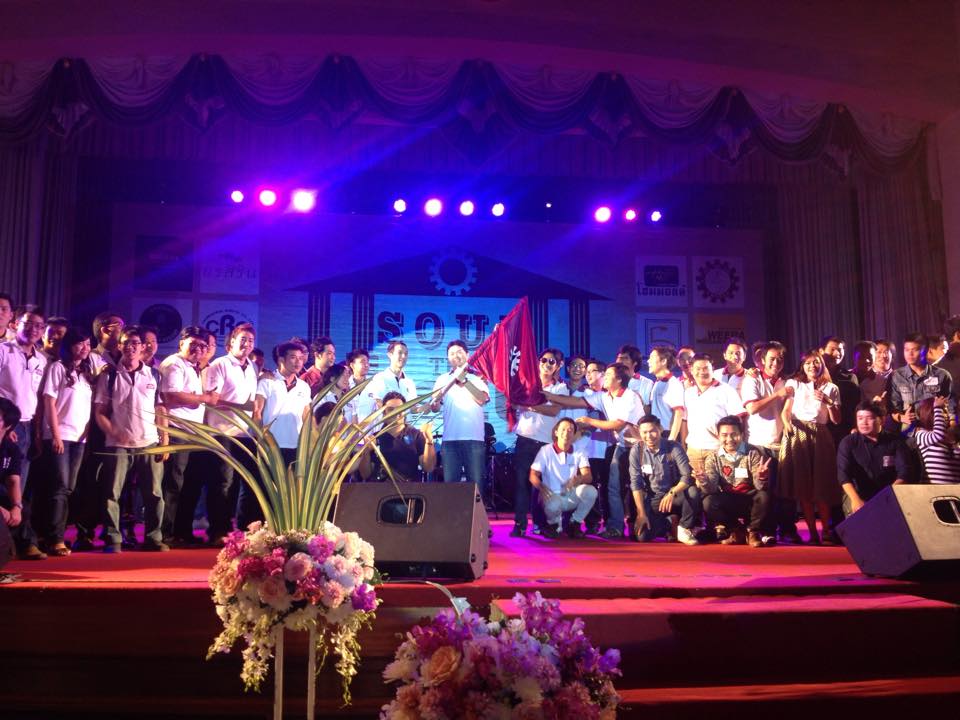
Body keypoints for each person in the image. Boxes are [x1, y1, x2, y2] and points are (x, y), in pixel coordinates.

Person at [546, 362, 644, 539]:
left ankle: (642, 524)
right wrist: (547, 395)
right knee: (613, 487)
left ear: (619, 379)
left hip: (639, 447)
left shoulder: (630, 396)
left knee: (637, 487)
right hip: (622, 446)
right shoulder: (604, 396)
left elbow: (618, 424)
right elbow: (577, 402)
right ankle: (615, 527)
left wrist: (590, 421)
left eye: (608, 375)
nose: (605, 378)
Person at [93, 325, 169, 553]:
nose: (131, 347)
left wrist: (165, 440)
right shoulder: (109, 375)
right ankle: (112, 539)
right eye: (126, 343)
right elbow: (100, 412)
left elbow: (160, 409)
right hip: (117, 445)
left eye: (136, 343)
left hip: (149, 442)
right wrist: (115, 432)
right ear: (119, 346)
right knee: (112, 494)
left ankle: (153, 538)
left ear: (143, 347)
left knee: (154, 494)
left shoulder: (154, 374)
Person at [39, 327, 94, 556]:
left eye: (88, 344)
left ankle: (53, 534)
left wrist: (86, 435)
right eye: (80, 343)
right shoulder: (58, 368)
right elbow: (49, 402)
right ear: (69, 345)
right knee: (59, 487)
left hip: (80, 438)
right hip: (60, 435)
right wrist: (55, 435)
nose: (85, 348)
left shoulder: (86, 373)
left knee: (68, 487)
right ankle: (55, 538)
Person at [203, 322, 259, 543]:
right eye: (243, 339)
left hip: (246, 434)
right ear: (231, 341)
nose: (247, 344)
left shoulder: (252, 367)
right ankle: (218, 530)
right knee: (223, 483)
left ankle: (244, 529)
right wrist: (242, 407)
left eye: (251, 341)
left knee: (246, 483)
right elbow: (212, 400)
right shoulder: (220, 364)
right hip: (222, 432)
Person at [0, 305, 48, 559]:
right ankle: (17, 543)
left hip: (30, 426)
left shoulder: (42, 359)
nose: (34, 330)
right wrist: (6, 425)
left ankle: (18, 541)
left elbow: (38, 398)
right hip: (8, 425)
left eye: (39, 326)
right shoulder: (3, 351)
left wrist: (38, 432)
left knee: (23, 484)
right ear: (15, 324)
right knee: (7, 483)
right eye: (28, 324)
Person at [778, 349, 841, 544]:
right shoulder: (794, 384)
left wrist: (829, 402)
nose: (812, 366)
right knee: (803, 486)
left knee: (822, 484)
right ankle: (813, 533)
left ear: (822, 364)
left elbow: (837, 420)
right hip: (797, 432)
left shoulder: (831, 387)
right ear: (802, 366)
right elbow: (786, 411)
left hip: (820, 434)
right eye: (807, 363)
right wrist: (787, 424)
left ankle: (826, 531)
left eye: (816, 362)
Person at [739, 340, 799, 543]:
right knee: (764, 490)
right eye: (772, 359)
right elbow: (752, 408)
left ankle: (788, 530)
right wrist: (777, 395)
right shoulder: (752, 379)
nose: (776, 363)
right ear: (762, 360)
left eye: (780, 359)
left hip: (783, 444)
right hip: (759, 444)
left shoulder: (788, 381)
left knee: (786, 491)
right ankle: (764, 530)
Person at [158, 326, 212, 546]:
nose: (198, 349)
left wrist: (193, 398)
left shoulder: (194, 367)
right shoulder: (174, 364)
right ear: (181, 344)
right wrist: (203, 398)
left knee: (188, 485)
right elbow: (171, 396)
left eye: (203, 346)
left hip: (192, 432)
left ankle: (182, 532)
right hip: (176, 430)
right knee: (173, 484)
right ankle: (165, 533)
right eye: (193, 344)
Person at [510, 348, 569, 537]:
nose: (547, 364)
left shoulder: (560, 388)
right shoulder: (527, 383)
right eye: (544, 360)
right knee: (521, 484)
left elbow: (554, 410)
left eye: (552, 362)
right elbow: (514, 403)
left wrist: (530, 406)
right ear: (538, 362)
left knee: (544, 486)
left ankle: (543, 524)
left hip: (545, 443)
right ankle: (520, 524)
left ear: (558, 366)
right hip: (525, 440)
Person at [699, 415, 774, 547]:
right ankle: (736, 530)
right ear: (718, 436)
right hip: (728, 500)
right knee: (708, 501)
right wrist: (704, 481)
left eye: (734, 435)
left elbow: (759, 486)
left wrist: (761, 476)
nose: (729, 439)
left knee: (764, 495)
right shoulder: (713, 458)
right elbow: (712, 489)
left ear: (742, 434)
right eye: (724, 435)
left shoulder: (752, 452)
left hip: (750, 500)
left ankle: (753, 532)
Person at [430, 340, 490, 495]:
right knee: (451, 489)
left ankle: (477, 512)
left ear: (467, 355)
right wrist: (434, 402)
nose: (455, 356)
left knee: (476, 488)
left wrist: (465, 381)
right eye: (451, 353)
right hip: (450, 441)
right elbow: (435, 408)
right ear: (448, 358)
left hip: (473, 440)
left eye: (459, 352)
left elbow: (482, 399)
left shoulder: (477, 378)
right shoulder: (442, 379)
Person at [629, 414, 698, 544]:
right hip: (653, 498)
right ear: (639, 432)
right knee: (642, 537)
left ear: (660, 429)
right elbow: (635, 483)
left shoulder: (674, 447)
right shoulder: (637, 450)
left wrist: (672, 492)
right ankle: (670, 522)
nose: (649, 436)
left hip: (676, 494)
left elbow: (687, 476)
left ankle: (684, 528)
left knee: (692, 492)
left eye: (652, 431)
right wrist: (641, 513)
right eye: (644, 432)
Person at [837, 401, 912, 515]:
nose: (864, 422)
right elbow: (843, 476)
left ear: (882, 420)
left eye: (869, 418)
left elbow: (904, 471)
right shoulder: (848, 442)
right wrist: (856, 500)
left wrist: (889, 496)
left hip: (890, 493)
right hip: (858, 494)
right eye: (860, 418)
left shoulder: (895, 441)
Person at [528, 417, 597, 539]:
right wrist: (541, 487)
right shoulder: (546, 450)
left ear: (574, 434)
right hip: (552, 495)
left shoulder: (579, 451)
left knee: (591, 492)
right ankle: (553, 524)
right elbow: (533, 475)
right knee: (553, 504)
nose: (566, 433)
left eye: (570, 430)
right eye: (563, 429)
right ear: (556, 432)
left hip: (570, 495)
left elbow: (588, 476)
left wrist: (579, 479)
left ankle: (574, 523)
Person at [682, 353, 747, 473]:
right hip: (693, 450)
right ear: (691, 370)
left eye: (706, 368)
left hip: (718, 449)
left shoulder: (726, 390)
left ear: (713, 369)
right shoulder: (688, 393)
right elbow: (684, 421)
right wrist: (683, 445)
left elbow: (739, 420)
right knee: (698, 483)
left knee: (721, 482)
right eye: (698, 369)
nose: (702, 372)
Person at [254, 339, 312, 466]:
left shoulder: (304, 386)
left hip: (297, 446)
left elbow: (307, 417)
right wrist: (260, 440)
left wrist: (309, 442)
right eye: (293, 357)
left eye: (300, 358)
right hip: (271, 445)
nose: (298, 362)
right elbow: (257, 412)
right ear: (281, 360)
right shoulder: (267, 382)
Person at [359, 391, 436, 482]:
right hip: (381, 489)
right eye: (391, 409)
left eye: (400, 409)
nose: (396, 412)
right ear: (384, 413)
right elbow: (365, 474)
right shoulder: (375, 439)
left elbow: (428, 468)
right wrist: (366, 451)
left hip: (410, 488)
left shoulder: (417, 436)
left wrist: (429, 441)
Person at [889, 332, 953, 432]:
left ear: (926, 350)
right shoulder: (896, 376)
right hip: (910, 433)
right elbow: (893, 408)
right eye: (906, 350)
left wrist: (952, 428)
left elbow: (951, 406)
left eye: (915, 350)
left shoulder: (942, 375)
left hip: (936, 431)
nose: (910, 354)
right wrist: (902, 417)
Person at [819, 335, 860, 445]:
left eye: (840, 350)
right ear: (821, 351)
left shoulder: (850, 377)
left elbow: (856, 406)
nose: (837, 353)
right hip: (819, 430)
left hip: (844, 431)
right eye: (832, 349)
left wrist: (855, 426)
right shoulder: (812, 376)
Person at [0, 399, 29, 548]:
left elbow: (13, 481)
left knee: (24, 508)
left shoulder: (11, 449)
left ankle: (25, 546)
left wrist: (17, 507)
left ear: (8, 425)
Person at [913, 396, 960, 483]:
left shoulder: (950, 437)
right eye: (943, 411)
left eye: (946, 411)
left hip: (955, 489)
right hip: (934, 489)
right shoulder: (921, 434)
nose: (947, 415)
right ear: (930, 412)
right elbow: (938, 435)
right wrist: (938, 407)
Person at [646, 345, 685, 441]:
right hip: (656, 433)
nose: (648, 361)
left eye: (652, 358)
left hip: (667, 434)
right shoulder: (657, 382)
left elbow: (679, 412)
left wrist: (671, 439)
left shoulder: (673, 383)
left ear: (663, 361)